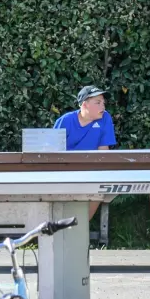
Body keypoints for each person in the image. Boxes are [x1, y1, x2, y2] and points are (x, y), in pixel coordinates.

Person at [53, 85, 117, 220]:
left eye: (103, 102)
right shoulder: (65, 121)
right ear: (84, 104)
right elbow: (52, 155)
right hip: (64, 173)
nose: (103, 106)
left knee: (99, 187)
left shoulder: (105, 118)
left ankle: (81, 225)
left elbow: (103, 154)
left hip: (91, 173)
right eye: (98, 102)